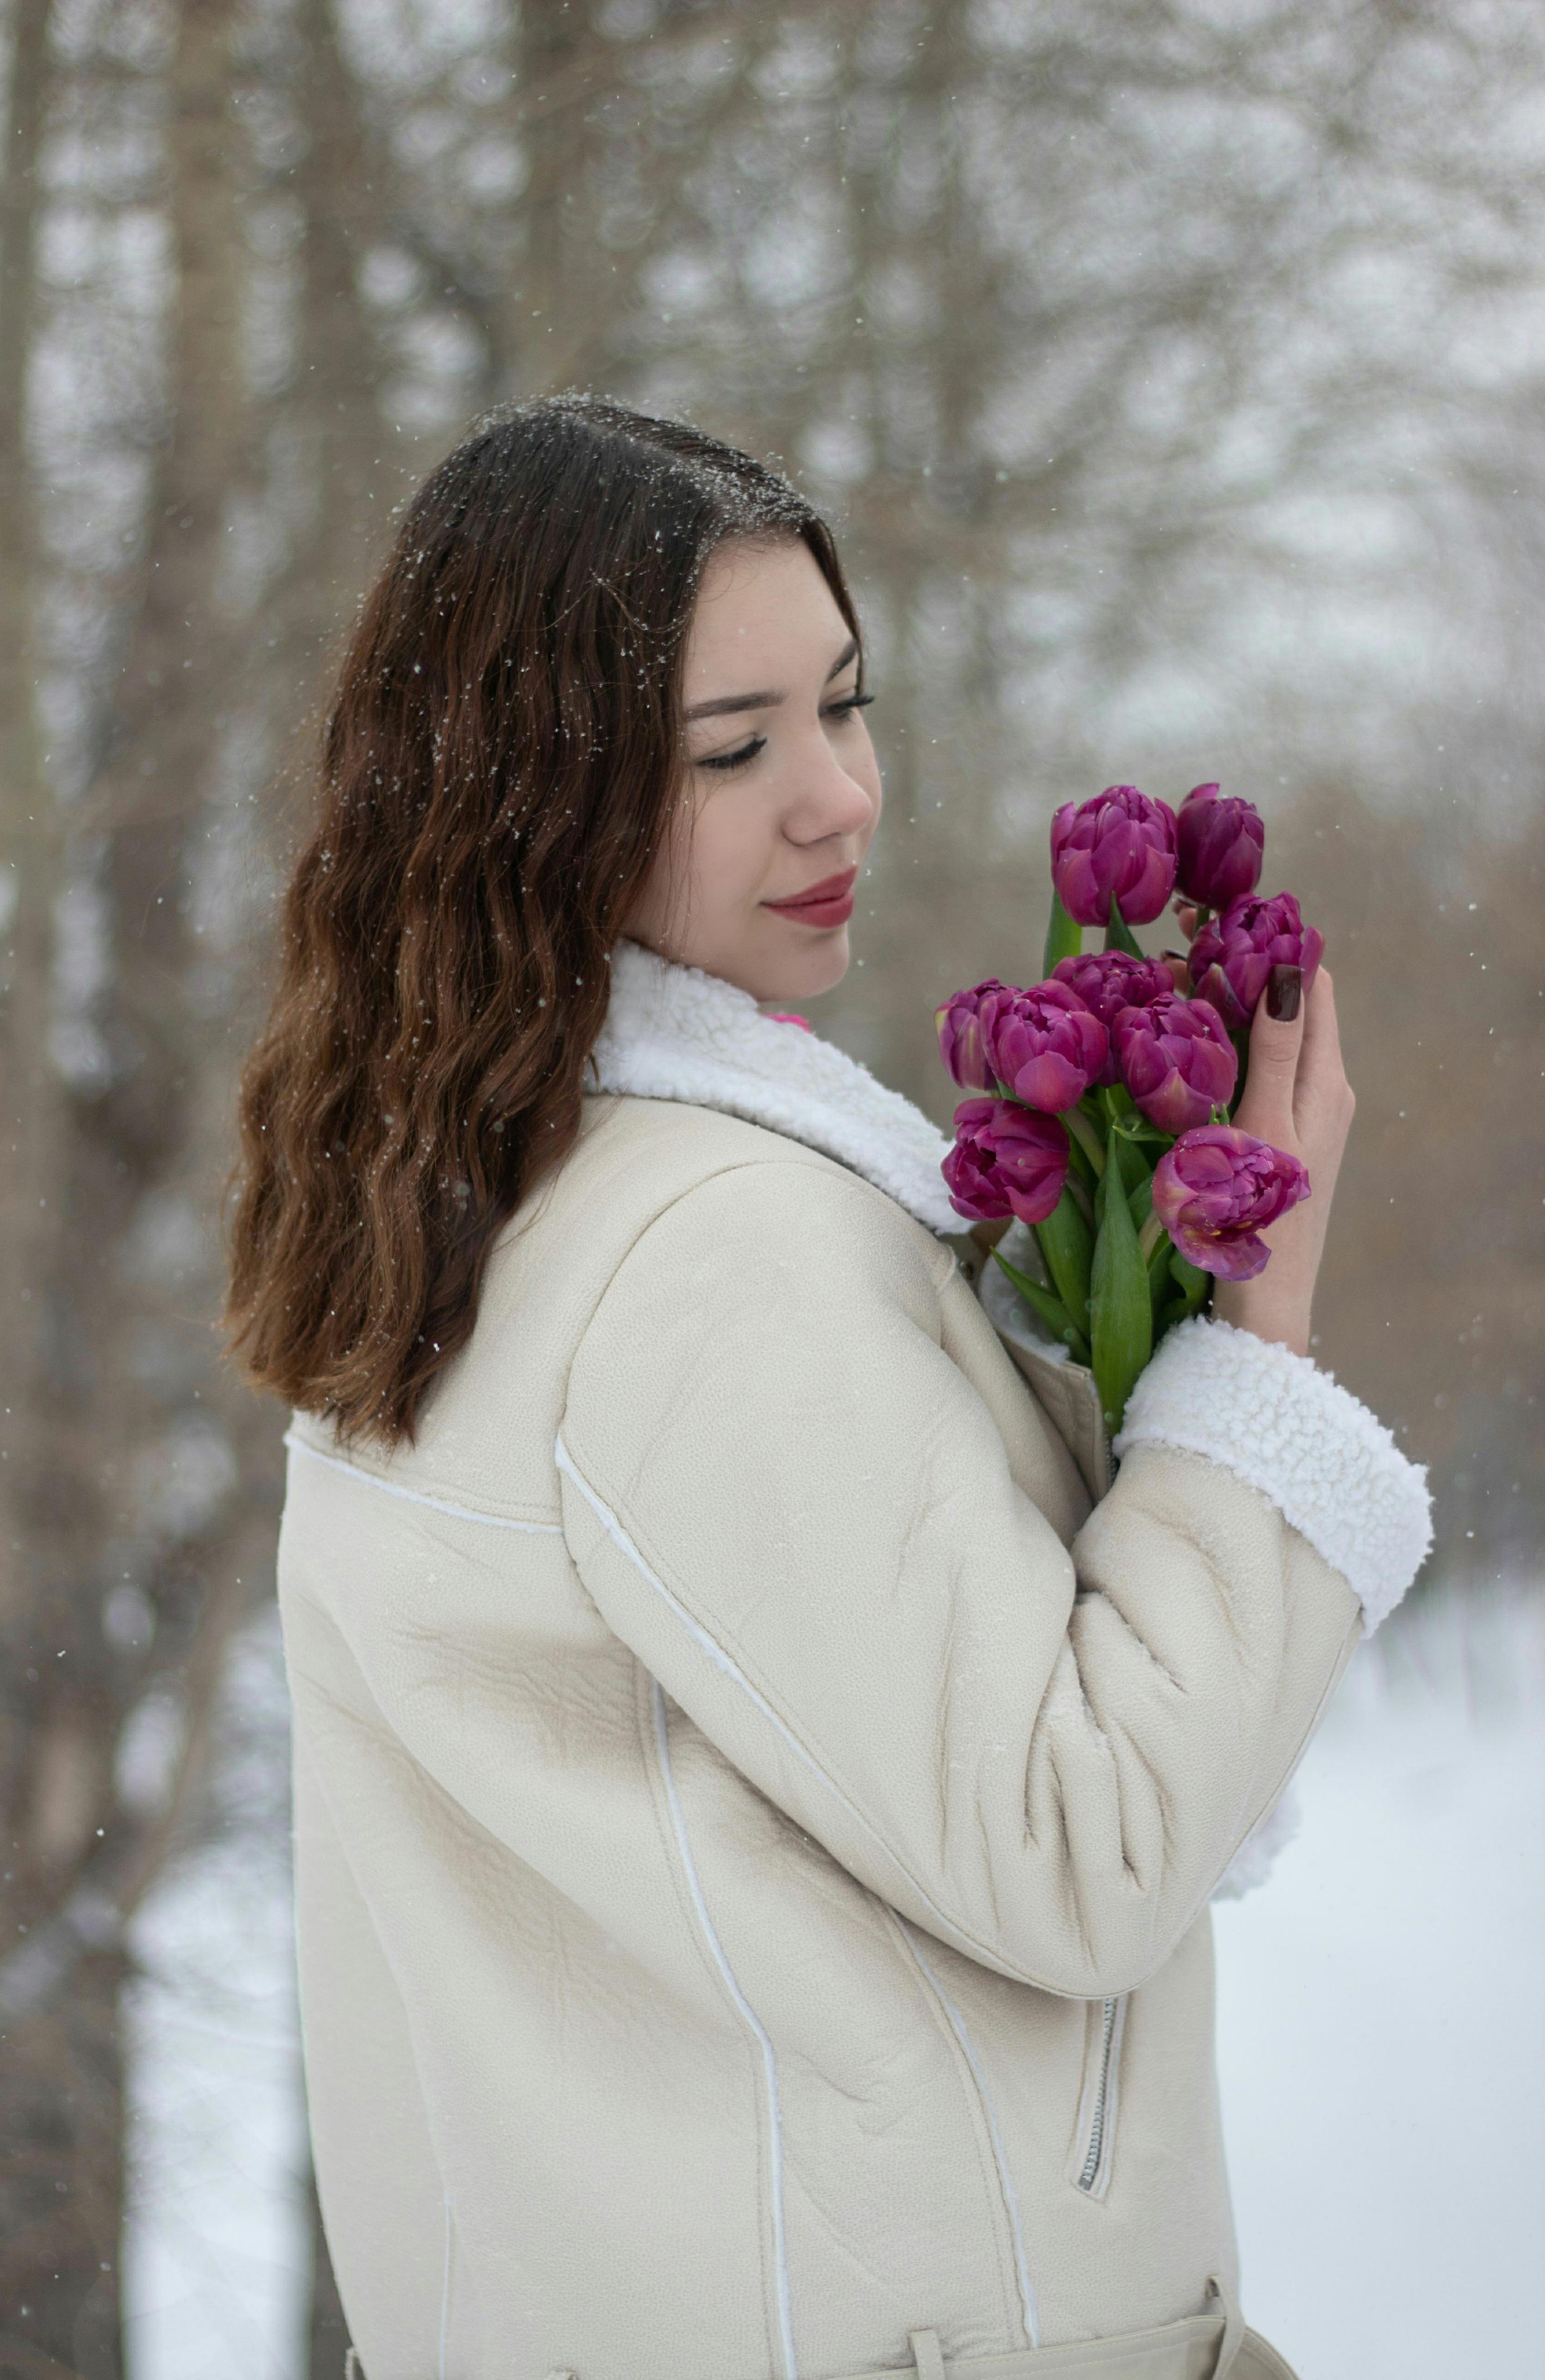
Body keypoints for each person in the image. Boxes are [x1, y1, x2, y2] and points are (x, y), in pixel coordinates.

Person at [224, 395, 1430, 2380]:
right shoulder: (709, 1265)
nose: (841, 796)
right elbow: (1089, 1841)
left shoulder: (461, 1220)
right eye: (734, 747)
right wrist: (1259, 1345)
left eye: (844, 708)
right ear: (532, 793)